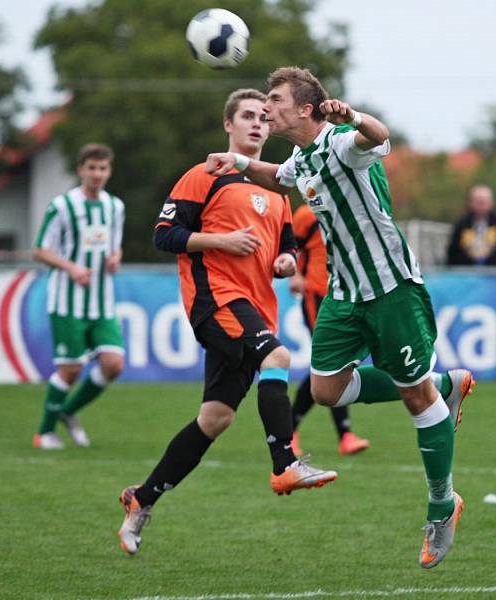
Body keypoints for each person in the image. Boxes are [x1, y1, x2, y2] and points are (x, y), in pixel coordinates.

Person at [205, 67, 475, 569]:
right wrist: (237, 161)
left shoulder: (341, 143)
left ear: (306, 108)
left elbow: (379, 136)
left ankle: (442, 503)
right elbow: (277, 175)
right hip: (344, 293)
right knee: (327, 389)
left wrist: (353, 116)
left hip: (391, 289)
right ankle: (443, 382)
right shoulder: (301, 159)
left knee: (417, 398)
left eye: (275, 99)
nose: (267, 106)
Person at [117, 89, 337, 556]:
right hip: (214, 298)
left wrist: (286, 261)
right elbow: (164, 235)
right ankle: (285, 464)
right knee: (279, 355)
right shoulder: (206, 174)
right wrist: (217, 240)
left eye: (263, 116)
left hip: (255, 307)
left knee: (215, 419)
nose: (258, 124)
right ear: (228, 126)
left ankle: (143, 498)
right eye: (248, 117)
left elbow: (288, 246)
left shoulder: (277, 189)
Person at [31, 143, 125, 450]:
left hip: (102, 301)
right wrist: (70, 267)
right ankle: (44, 432)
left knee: (114, 363)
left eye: (103, 168)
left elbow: (114, 246)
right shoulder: (62, 206)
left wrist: (115, 258)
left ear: (109, 171)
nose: (97, 174)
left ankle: (68, 412)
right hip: (67, 301)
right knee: (70, 370)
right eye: (91, 168)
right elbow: (40, 250)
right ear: (80, 169)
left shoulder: (115, 207)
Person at [288, 202, 370, 456]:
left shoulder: (353, 207)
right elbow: (290, 246)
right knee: (330, 364)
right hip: (318, 296)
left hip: (347, 298)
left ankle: (294, 431)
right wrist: (295, 275)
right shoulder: (306, 214)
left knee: (338, 365)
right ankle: (342, 435)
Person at [446, 185, 496, 266]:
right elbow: (452, 253)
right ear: (470, 202)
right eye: (478, 201)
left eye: (484, 201)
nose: (481, 204)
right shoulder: (462, 225)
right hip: (466, 275)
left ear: (491, 202)